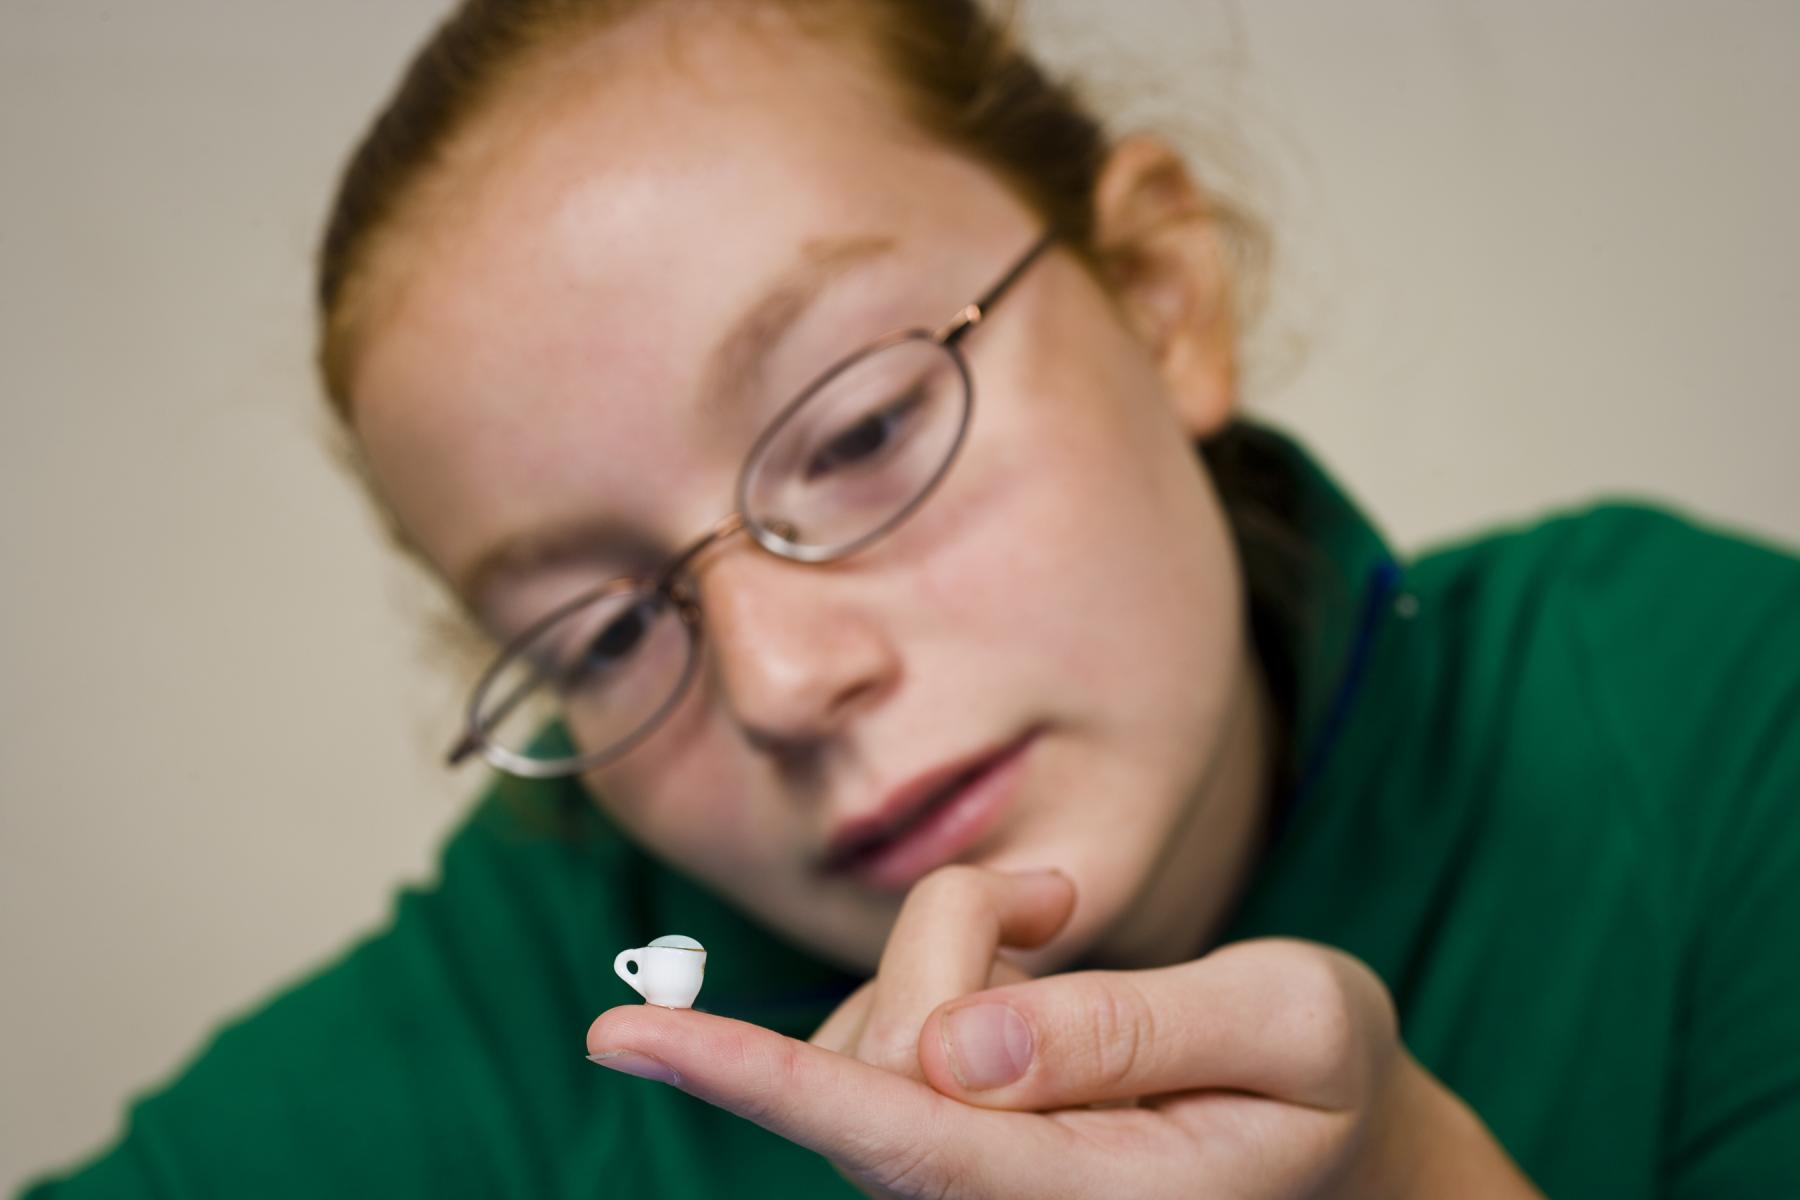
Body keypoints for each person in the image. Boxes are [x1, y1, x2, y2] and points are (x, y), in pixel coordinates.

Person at [19, 1, 1800, 1196]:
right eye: (606, 632)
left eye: (864, 430)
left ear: (1163, 295)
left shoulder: (1704, 713)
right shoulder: (527, 1007)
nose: (784, 679)